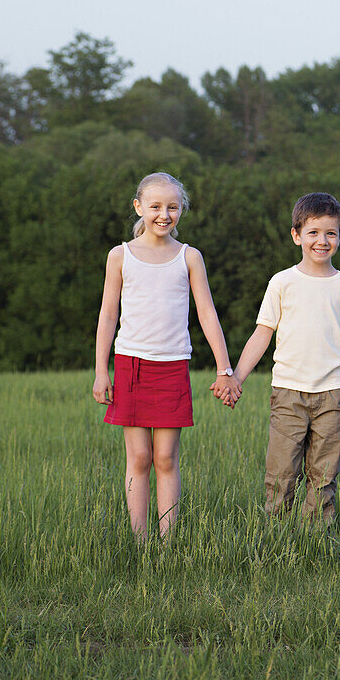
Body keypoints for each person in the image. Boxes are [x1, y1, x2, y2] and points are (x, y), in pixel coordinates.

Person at [218, 192, 340, 522]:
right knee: (280, 474)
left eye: (331, 233)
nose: (322, 240)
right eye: (313, 232)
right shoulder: (282, 282)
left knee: (324, 475)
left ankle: (315, 540)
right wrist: (236, 378)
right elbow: (263, 334)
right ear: (296, 235)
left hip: (331, 394)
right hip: (288, 393)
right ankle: (276, 537)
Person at [94, 172, 241, 539]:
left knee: (165, 458)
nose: (164, 214)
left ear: (181, 210)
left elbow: (207, 314)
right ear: (139, 207)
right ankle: (140, 542)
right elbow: (108, 314)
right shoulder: (120, 256)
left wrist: (225, 369)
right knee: (139, 458)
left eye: (172, 207)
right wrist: (102, 371)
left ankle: (168, 543)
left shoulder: (189, 257)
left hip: (173, 367)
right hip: (131, 366)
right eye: (156, 206)